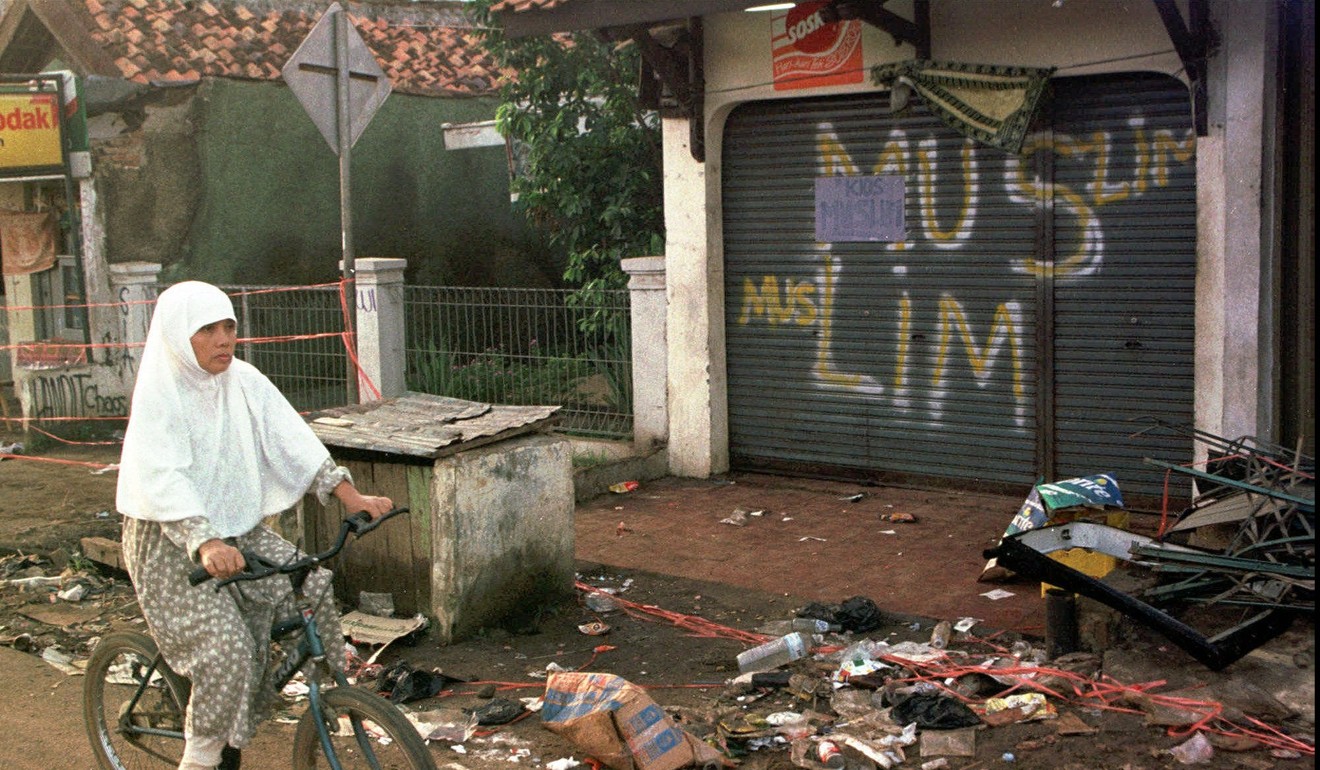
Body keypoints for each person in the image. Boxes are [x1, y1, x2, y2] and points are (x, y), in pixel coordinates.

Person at [115, 281, 393, 770]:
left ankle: (316, 697)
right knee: (227, 650)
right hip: (171, 542)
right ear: (180, 336)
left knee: (314, 583)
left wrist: (349, 494)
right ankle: (202, 755)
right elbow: (163, 475)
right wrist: (204, 541)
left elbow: (290, 438)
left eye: (229, 327)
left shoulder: (242, 379)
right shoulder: (161, 393)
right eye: (208, 330)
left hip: (237, 533)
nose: (224, 339)